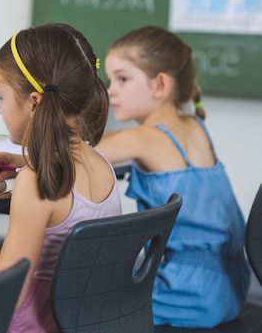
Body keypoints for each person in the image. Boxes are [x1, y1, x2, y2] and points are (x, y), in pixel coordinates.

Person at [0, 23, 121, 333]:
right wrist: (26, 161)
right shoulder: (101, 164)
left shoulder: (36, 182)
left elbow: (5, 297)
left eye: (1, 96)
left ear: (34, 102)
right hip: (81, 322)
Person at [96, 25, 250, 328]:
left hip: (188, 293)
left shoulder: (145, 138)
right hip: (232, 285)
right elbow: (106, 141)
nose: (110, 89)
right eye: (110, 79)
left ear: (160, 85)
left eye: (122, 79)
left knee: (82, 302)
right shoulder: (193, 125)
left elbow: (72, 154)